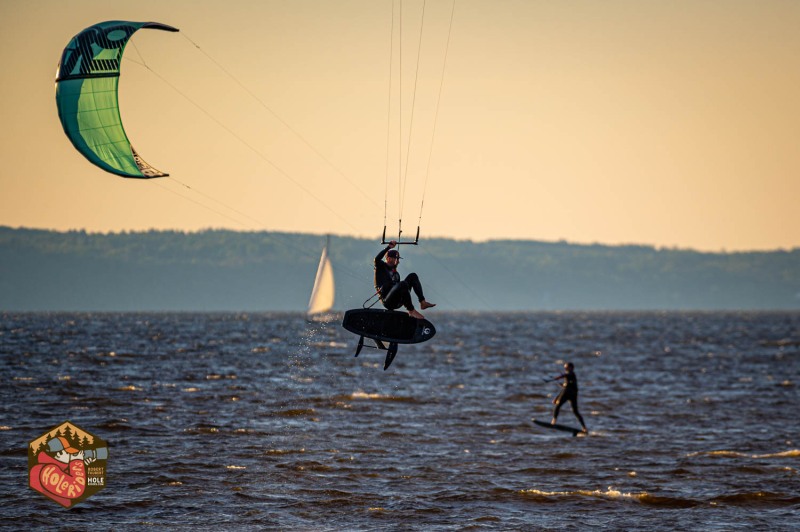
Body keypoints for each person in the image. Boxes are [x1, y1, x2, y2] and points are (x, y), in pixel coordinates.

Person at [374, 240, 435, 319]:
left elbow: (400, 290)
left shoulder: (396, 274)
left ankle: (422, 302)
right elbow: (377, 259)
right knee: (403, 284)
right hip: (387, 302)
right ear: (388, 259)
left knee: (412, 276)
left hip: (398, 302)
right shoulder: (381, 267)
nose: (398, 261)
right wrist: (389, 247)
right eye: (396, 259)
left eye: (398, 259)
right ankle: (411, 310)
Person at [29, 436, 96, 508]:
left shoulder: (52, 466)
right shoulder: (47, 470)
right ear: (59, 454)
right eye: (68, 453)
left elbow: (65, 477)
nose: (71, 456)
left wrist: (82, 465)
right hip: (52, 511)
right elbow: (75, 489)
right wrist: (77, 462)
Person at [550, 362, 588, 433]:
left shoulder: (571, 374)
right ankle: (553, 421)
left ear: (571, 368)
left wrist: (559, 377)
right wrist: (557, 398)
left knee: (575, 411)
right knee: (558, 406)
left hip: (572, 395)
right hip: (567, 393)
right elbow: (564, 388)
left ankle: (584, 428)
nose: (565, 368)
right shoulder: (567, 377)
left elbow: (566, 375)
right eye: (565, 367)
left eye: (566, 367)